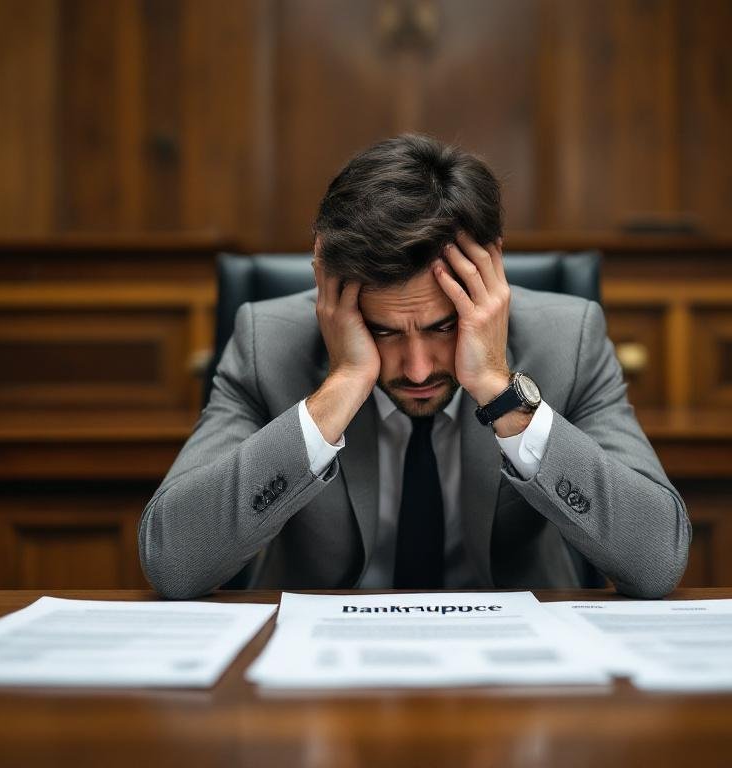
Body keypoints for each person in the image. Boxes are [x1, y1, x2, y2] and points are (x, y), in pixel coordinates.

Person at [139, 134, 690, 599]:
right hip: (321, 673)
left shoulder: (568, 340)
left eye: (442, 326)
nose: (420, 369)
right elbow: (171, 560)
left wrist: (500, 393)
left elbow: (659, 559)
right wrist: (344, 383)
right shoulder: (266, 344)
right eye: (384, 331)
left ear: (489, 277)